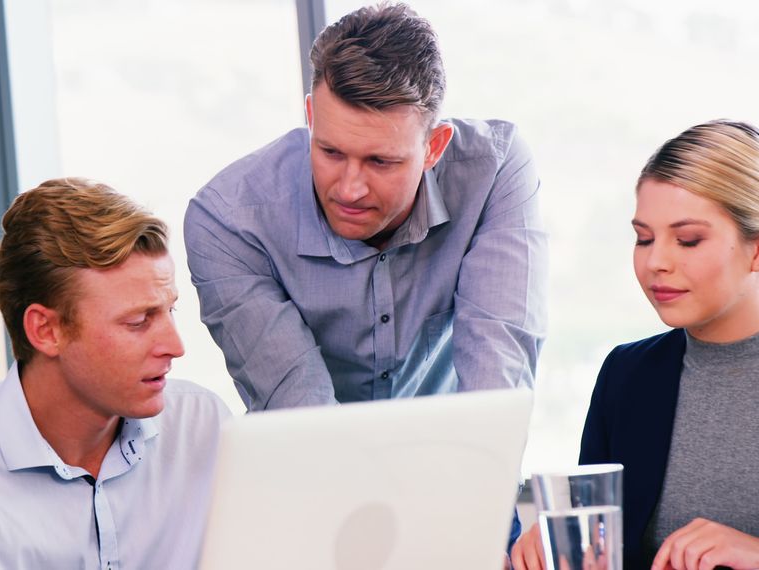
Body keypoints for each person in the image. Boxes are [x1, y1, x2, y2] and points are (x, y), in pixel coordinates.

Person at [183, 1, 544, 551]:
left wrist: (467, 529)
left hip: (465, 484)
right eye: (330, 151)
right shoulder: (229, 221)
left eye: (381, 162)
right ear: (310, 113)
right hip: (318, 497)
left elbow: (497, 370)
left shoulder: (494, 172)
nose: (349, 187)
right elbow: (301, 415)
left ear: (434, 147)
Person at [0, 178, 230, 569]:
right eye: (137, 321)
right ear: (46, 331)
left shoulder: (206, 428)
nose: (175, 346)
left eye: (169, 311)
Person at [511, 120, 759, 570]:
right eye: (644, 238)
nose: (655, 262)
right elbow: (598, 545)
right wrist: (554, 547)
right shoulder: (628, 374)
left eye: (687, 240)